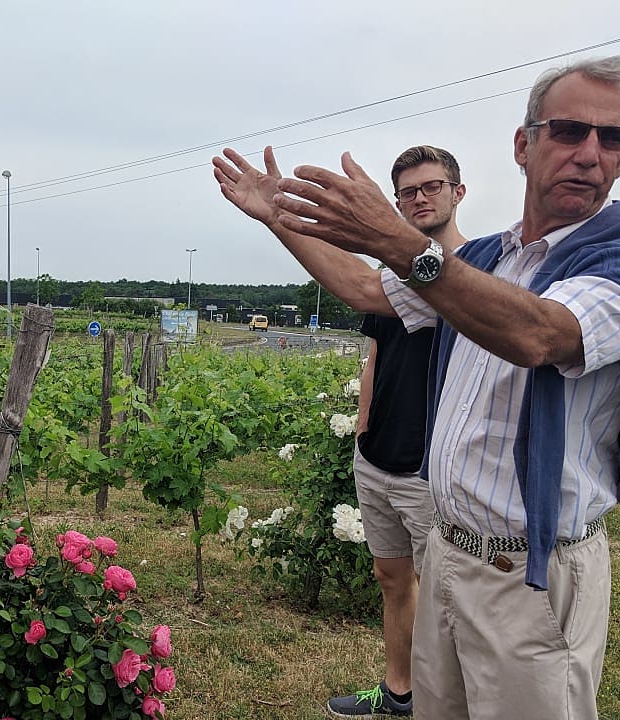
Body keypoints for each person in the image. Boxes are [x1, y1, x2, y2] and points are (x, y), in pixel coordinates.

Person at [220, 55, 620, 720]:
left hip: (530, 581)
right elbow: (364, 287)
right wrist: (277, 217)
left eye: (614, 138)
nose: (590, 153)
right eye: (569, 130)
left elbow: (539, 334)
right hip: (449, 554)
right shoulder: (490, 259)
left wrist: (401, 243)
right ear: (524, 145)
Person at [214, 143, 469, 718]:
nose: (420, 199)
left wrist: (280, 215)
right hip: (378, 455)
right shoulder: (397, 281)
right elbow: (375, 342)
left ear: (458, 192)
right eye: (407, 192)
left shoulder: (472, 277)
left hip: (433, 467)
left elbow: (356, 279)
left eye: (432, 186)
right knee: (391, 579)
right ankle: (399, 693)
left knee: (448, 598)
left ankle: (443, 701)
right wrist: (363, 426)